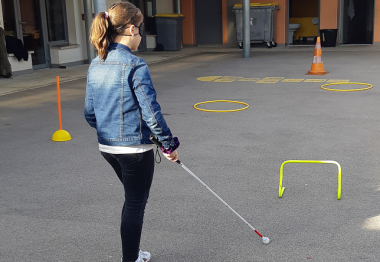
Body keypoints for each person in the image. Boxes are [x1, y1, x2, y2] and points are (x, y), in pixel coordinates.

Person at [84, 2, 179, 262]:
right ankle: (131, 259)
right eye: (139, 30)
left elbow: (90, 113)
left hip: (108, 148)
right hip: (134, 150)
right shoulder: (135, 64)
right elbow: (151, 111)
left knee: (132, 200)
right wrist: (168, 145)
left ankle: (133, 253)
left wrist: (110, 133)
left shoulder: (96, 63)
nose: (140, 36)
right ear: (129, 29)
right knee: (135, 204)